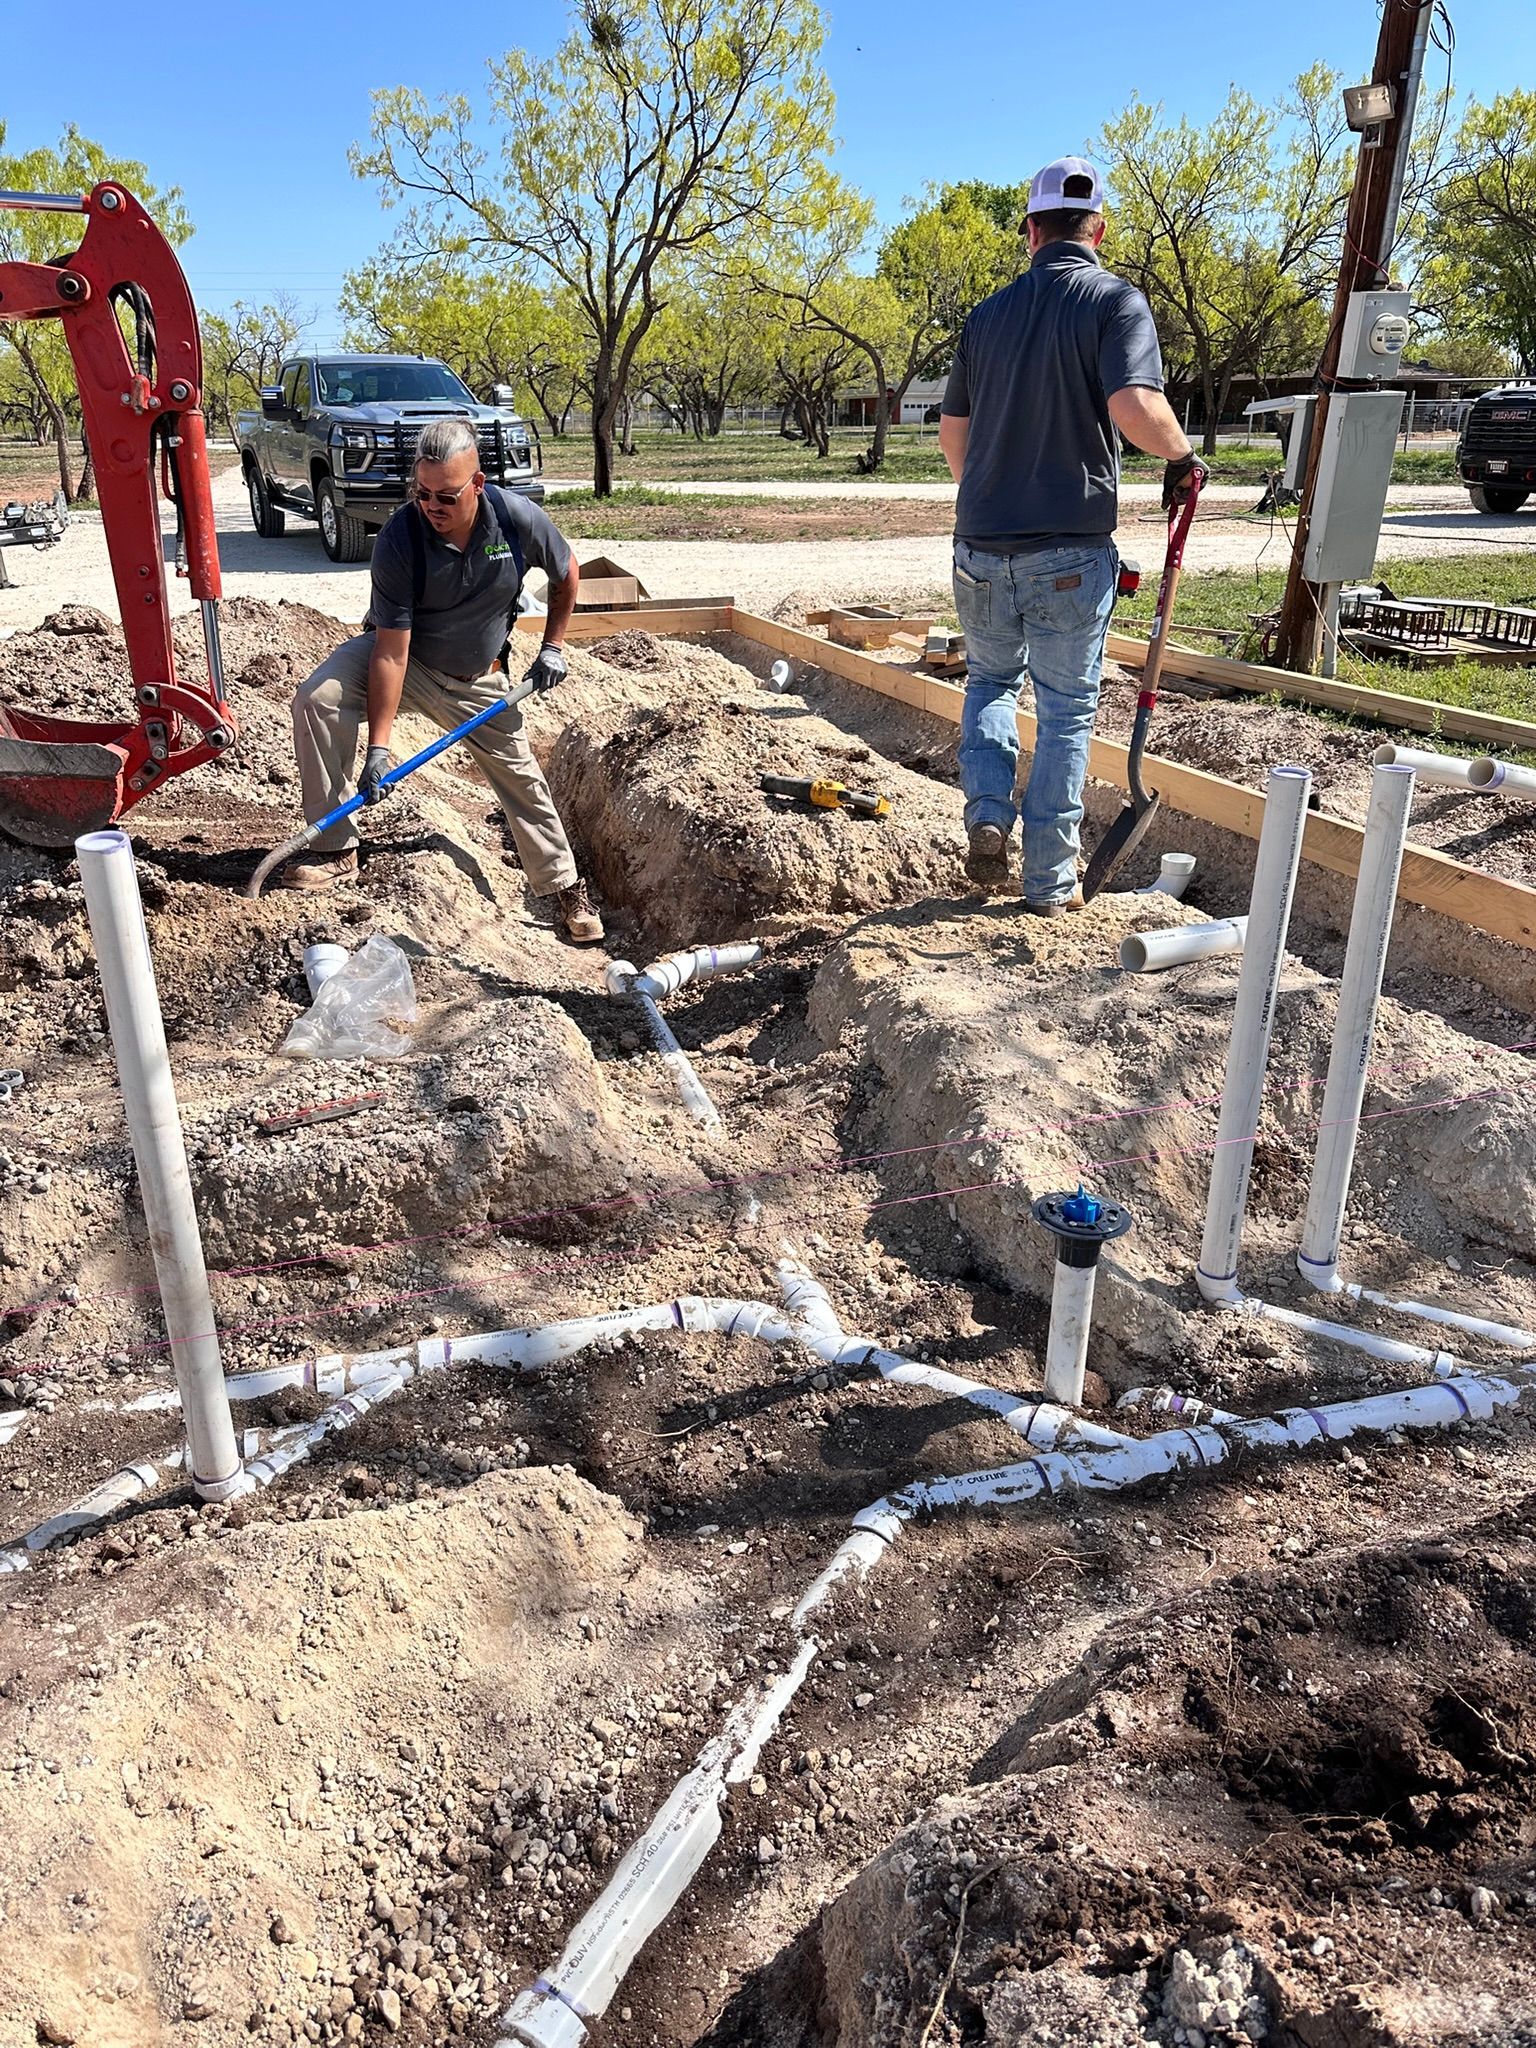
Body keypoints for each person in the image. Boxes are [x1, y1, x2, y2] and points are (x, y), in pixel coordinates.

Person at [939, 156, 1208, 915]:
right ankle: (1049, 881)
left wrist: (991, 491)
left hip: (980, 546)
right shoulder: (1114, 301)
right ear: (1099, 229)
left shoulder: (986, 317)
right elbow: (1133, 405)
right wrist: (1183, 456)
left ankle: (987, 813)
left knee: (991, 682)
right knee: (1064, 711)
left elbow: (951, 435)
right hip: (1068, 551)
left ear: (1030, 232)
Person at [286, 417, 604, 943]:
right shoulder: (400, 539)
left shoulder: (515, 519)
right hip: (408, 664)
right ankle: (336, 848)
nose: (433, 506)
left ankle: (564, 887)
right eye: (423, 492)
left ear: (477, 484)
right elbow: (390, 653)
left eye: (447, 496)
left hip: (480, 678)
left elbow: (567, 571)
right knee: (318, 698)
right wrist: (378, 751)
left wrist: (552, 647)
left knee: (521, 780)